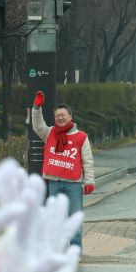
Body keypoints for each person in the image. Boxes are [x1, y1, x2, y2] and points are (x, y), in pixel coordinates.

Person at [31, 92, 94, 249]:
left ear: (70, 117)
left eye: (63, 115)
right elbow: (38, 126)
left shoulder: (81, 137)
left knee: (75, 220)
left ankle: (75, 250)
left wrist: (89, 181)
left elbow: (87, 160)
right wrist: (36, 107)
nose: (60, 118)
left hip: (73, 184)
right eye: (57, 115)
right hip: (54, 183)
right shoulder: (49, 132)